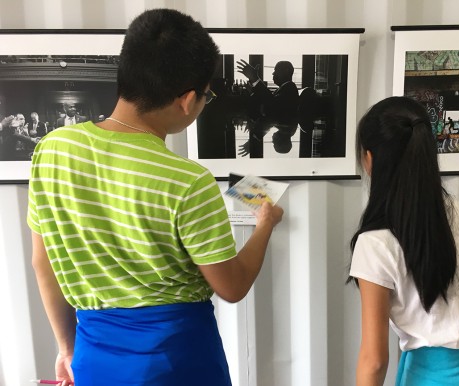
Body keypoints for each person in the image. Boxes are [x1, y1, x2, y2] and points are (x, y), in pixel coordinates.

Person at [28, 9, 283, 386]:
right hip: (177, 359)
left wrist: (68, 349)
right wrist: (265, 225)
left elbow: (42, 261)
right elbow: (232, 286)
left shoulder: (53, 150)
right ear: (188, 100)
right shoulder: (187, 181)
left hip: (94, 353)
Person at [348, 96, 459, 386]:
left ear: (369, 158)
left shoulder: (375, 243)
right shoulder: (454, 210)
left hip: (436, 378)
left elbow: (374, 361)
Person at [236, 59, 299, 157]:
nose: (273, 73)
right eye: (274, 143)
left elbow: (271, 106)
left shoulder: (289, 88)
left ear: (286, 71)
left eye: (276, 70)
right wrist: (252, 90)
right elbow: (268, 103)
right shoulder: (285, 88)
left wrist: (255, 78)